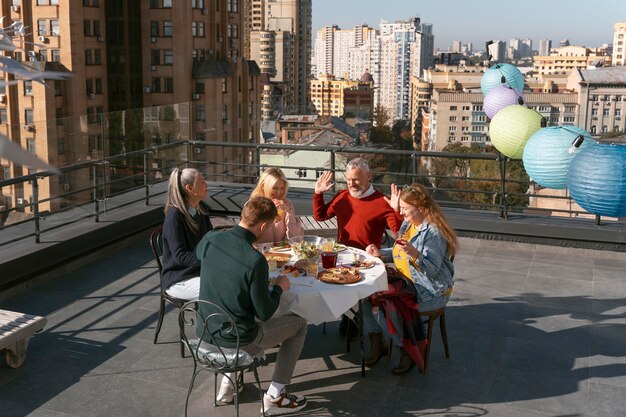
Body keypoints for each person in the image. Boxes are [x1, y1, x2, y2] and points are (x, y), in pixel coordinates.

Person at [196, 197, 308, 415]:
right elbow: (265, 313)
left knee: (239, 310)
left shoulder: (211, 238)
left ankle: (227, 385)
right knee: (301, 324)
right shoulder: (254, 260)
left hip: (204, 334)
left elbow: (199, 257)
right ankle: (275, 397)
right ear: (263, 226)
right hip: (237, 342)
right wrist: (278, 288)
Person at [363, 183, 457, 374]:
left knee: (391, 303)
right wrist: (379, 253)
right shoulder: (409, 225)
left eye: (405, 209)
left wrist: (415, 253)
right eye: (402, 208)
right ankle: (378, 340)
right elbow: (399, 251)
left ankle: (406, 350)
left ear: (420, 209)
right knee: (365, 294)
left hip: (429, 291)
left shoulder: (433, 233)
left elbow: (431, 270)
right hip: (408, 284)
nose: (401, 213)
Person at [313, 157, 403, 337]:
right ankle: (350, 318)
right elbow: (320, 216)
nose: (351, 184)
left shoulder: (382, 201)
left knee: (359, 295)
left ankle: (360, 323)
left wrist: (396, 210)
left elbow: (399, 231)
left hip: (367, 261)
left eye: (355, 179)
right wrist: (318, 193)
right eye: (348, 180)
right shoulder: (342, 196)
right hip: (341, 258)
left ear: (369, 176)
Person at [161, 167, 213, 300]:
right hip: (179, 279)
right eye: (202, 182)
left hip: (199, 272)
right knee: (219, 290)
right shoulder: (175, 216)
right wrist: (210, 260)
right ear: (189, 188)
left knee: (235, 281)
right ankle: (209, 321)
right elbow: (180, 256)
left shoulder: (201, 210)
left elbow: (211, 239)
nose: (206, 185)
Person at [249, 167, 303, 244]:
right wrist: (268, 220)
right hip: (259, 252)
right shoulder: (253, 205)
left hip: (279, 252)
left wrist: (289, 212)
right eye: (274, 188)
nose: (279, 192)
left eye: (282, 188)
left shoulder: (287, 204)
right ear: (263, 186)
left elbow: (296, 238)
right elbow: (249, 236)